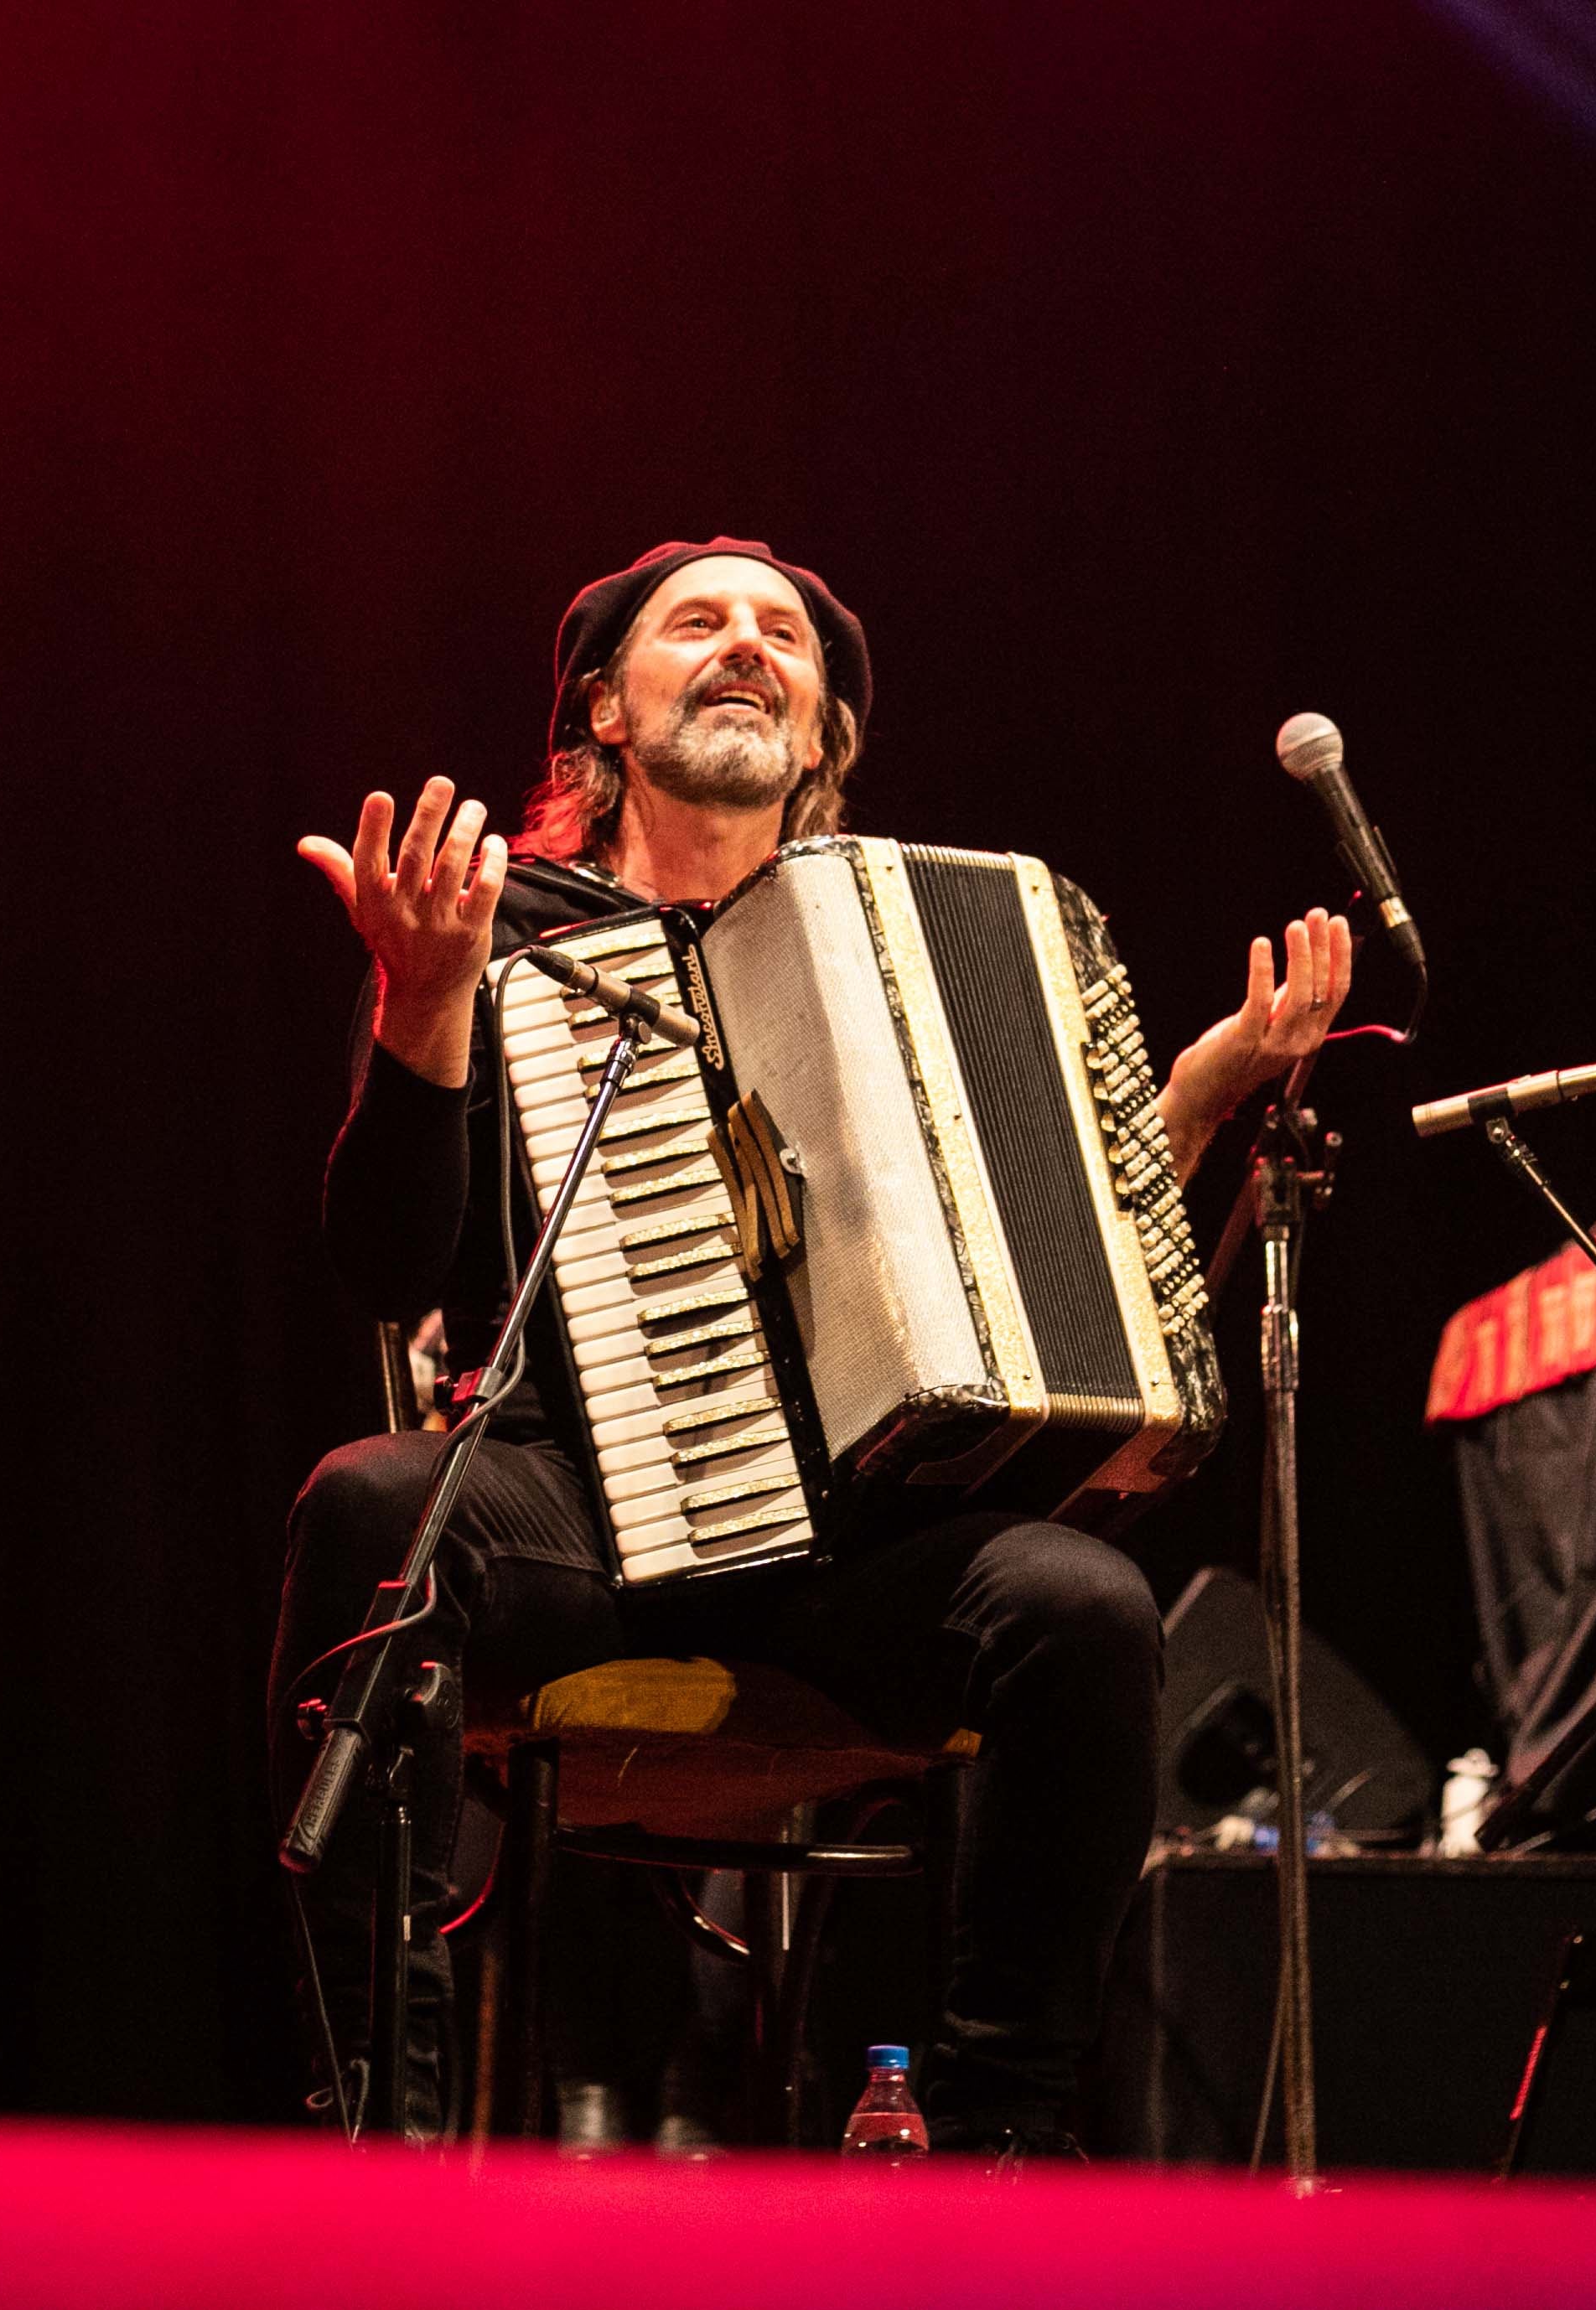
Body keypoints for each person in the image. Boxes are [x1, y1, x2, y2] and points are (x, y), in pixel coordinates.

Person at [278, 537, 1351, 2148]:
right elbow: (385, 1264)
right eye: (697, 623)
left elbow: (1069, 1281)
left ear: (819, 729)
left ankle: (1001, 2140)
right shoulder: (503, 931)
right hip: (583, 1518)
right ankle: (381, 2126)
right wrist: (420, 1008)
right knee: (369, 1503)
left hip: (856, 1552)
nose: (746, 646)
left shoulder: (913, 949)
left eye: (782, 634)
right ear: (603, 712)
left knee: (1079, 1604)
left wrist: (1188, 1110)